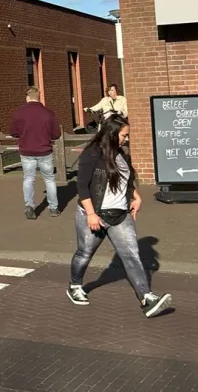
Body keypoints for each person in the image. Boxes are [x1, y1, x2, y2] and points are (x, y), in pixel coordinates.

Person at [68, 116, 172, 318]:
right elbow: (81, 186)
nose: (127, 139)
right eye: (124, 135)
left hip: (120, 215)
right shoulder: (92, 154)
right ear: (113, 134)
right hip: (95, 214)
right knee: (84, 253)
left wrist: (136, 196)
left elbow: (126, 179)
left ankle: (146, 298)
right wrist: (90, 213)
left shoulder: (121, 154)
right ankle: (75, 285)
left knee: (132, 255)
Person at [9, 87, 62, 219]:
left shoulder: (18, 113)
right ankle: (53, 208)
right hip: (44, 151)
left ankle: (29, 205)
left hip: (26, 151)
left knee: (28, 178)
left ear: (27, 97)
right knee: (49, 179)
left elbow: (13, 132)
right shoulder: (48, 113)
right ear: (39, 97)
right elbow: (56, 134)